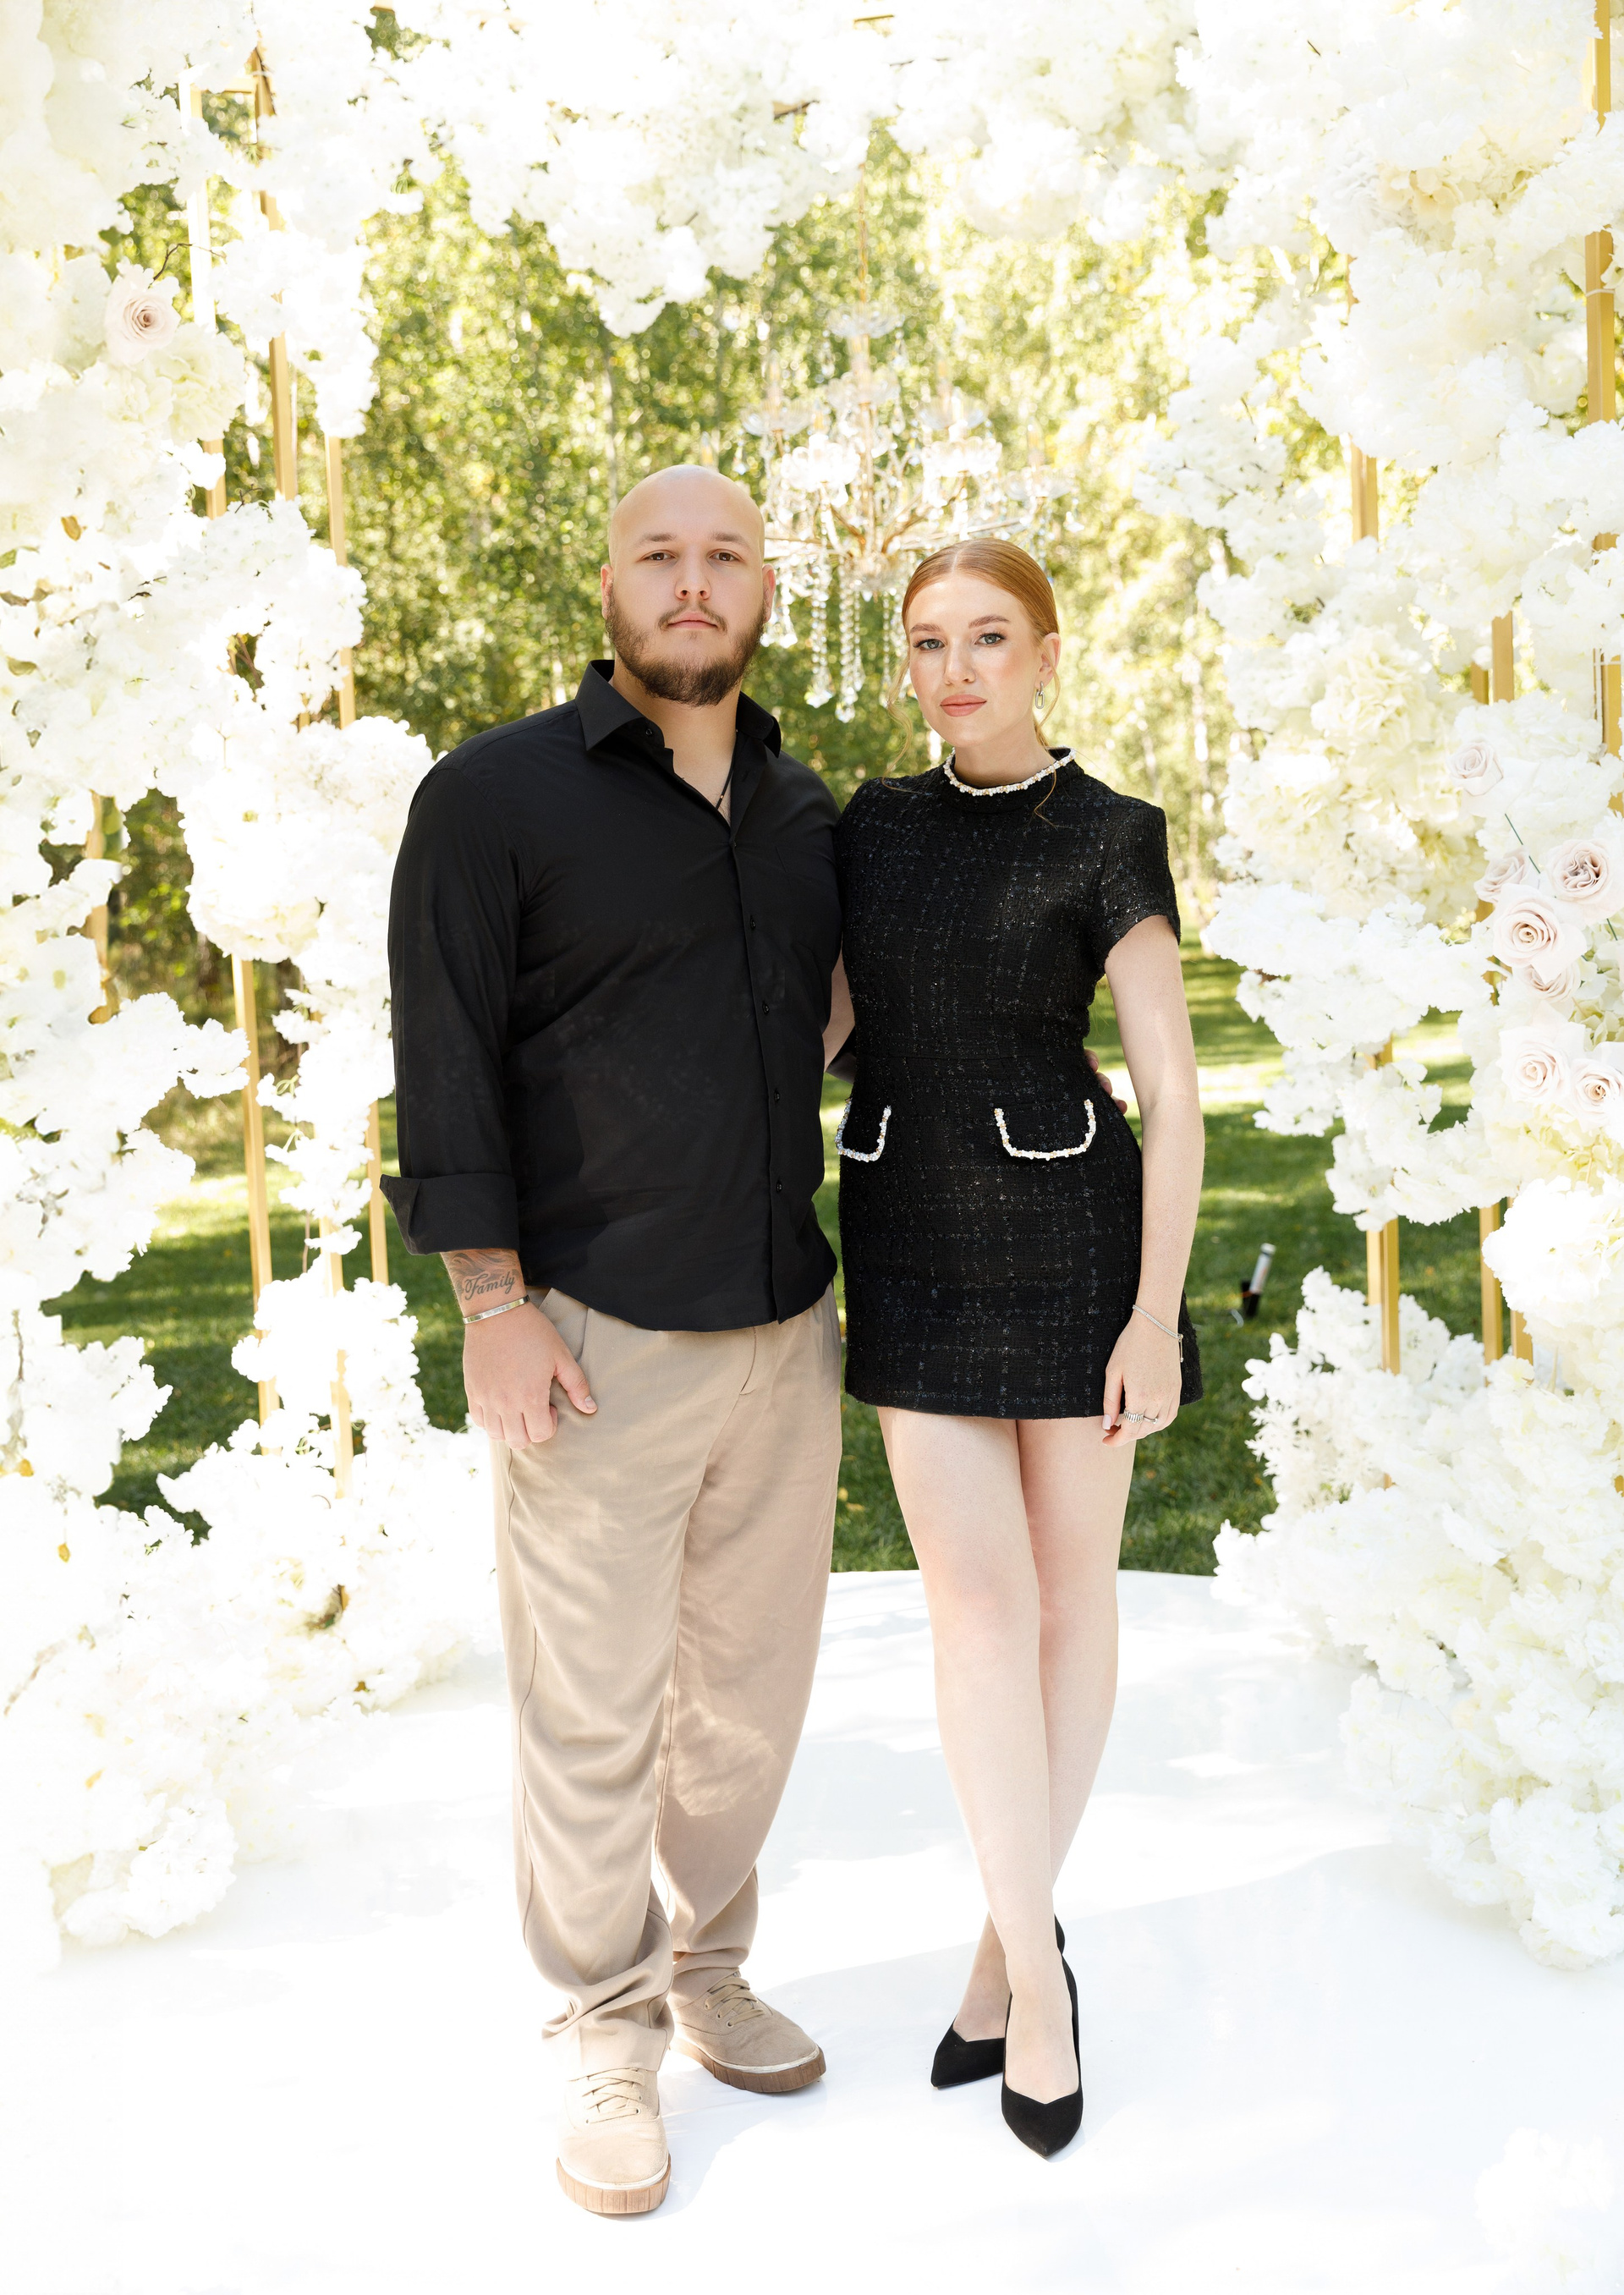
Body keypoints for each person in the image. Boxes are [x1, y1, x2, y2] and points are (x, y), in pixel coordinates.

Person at [381, 465, 848, 2217]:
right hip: (591, 1330)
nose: (692, 580)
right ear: (609, 586)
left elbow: (836, 1024)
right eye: (660, 554)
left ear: (766, 590)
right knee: (590, 1706)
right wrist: (491, 1304)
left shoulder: (802, 811)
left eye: (725, 555)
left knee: (747, 1696)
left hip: (785, 1325)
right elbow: (445, 1056)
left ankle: (708, 1967)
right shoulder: (492, 796)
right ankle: (599, 2017)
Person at [832, 538, 1204, 2160]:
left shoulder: (1112, 832)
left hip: (1074, 1247)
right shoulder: (869, 826)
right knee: (973, 1606)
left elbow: (1173, 1090)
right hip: (910, 1244)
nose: (956, 669)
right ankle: (1042, 1973)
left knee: (1069, 1599)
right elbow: (822, 1021)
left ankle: (1006, 1952)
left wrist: (1154, 1316)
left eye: (989, 638)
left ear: (1047, 652)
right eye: (929, 642)